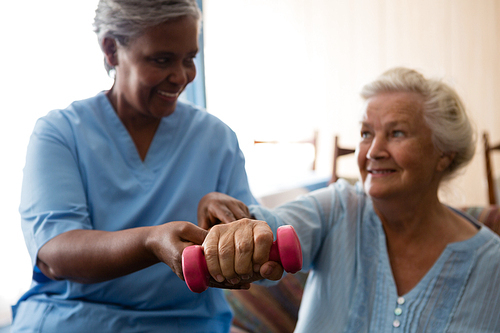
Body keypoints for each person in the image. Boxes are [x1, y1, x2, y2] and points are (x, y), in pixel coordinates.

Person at [11, 1, 281, 332]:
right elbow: (55, 252)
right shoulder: (60, 132)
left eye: (189, 59)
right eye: (162, 60)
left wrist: (234, 238)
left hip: (185, 323)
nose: (181, 76)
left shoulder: (216, 138)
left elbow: (254, 247)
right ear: (111, 50)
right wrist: (150, 242)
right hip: (74, 320)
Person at [197, 67, 500, 332]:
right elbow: (271, 229)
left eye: (396, 133)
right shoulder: (340, 207)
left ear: (444, 154)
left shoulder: (490, 263)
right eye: (366, 133)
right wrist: (236, 225)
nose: (373, 151)